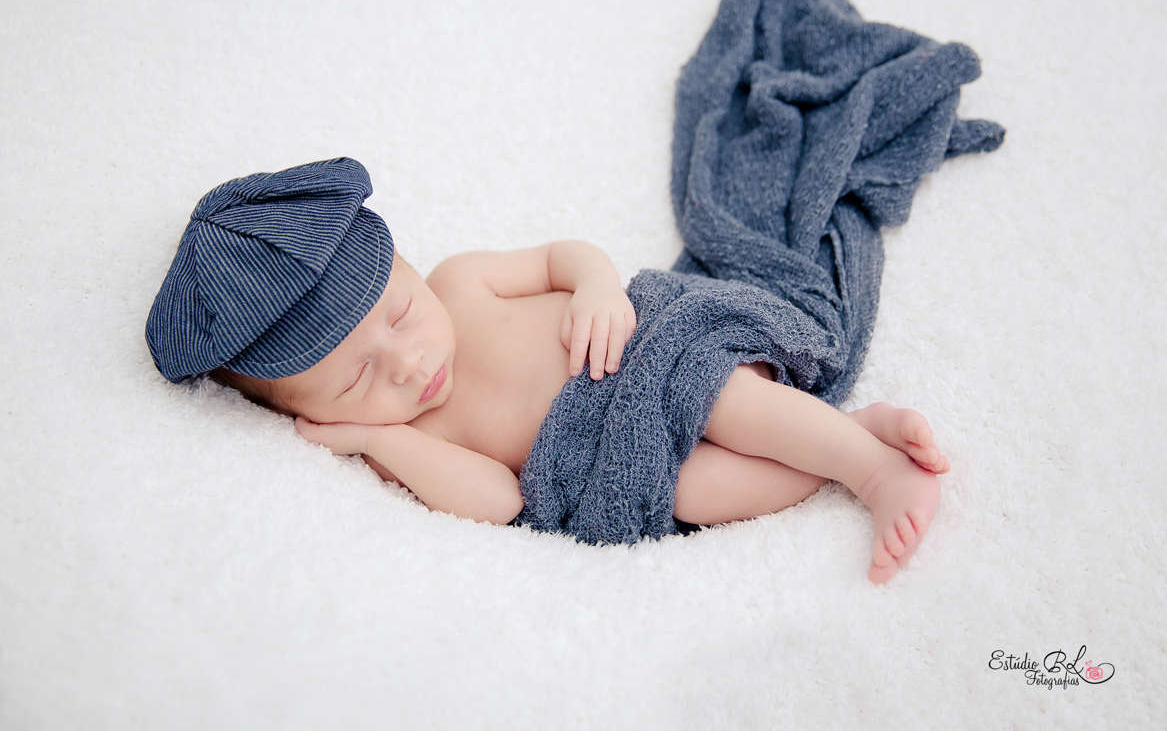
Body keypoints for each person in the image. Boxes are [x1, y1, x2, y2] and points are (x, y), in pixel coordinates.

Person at [147, 158, 948, 584]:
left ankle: (872, 469)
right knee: (704, 493)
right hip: (608, 454)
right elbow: (501, 501)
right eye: (356, 382)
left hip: (648, 348)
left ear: (406, 262)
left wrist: (596, 286)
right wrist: (374, 440)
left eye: (399, 314)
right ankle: (839, 438)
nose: (409, 365)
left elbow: (561, 257)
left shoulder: (461, 280)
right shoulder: (417, 439)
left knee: (729, 401)